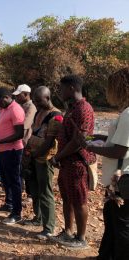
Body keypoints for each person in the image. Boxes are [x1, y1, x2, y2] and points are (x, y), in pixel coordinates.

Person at [79, 68, 129, 259]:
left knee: (121, 223)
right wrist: (94, 137)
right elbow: (117, 140)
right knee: (112, 219)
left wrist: (89, 147)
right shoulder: (125, 113)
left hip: (122, 178)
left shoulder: (128, 114)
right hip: (118, 178)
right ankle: (107, 254)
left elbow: (119, 150)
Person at [50, 75, 96, 248]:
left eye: (61, 88)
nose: (59, 92)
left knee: (79, 200)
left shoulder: (84, 108)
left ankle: (81, 238)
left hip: (77, 163)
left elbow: (79, 142)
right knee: (67, 198)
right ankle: (68, 232)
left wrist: (57, 157)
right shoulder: (72, 108)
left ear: (71, 88)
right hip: (66, 163)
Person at [23, 86, 63, 240]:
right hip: (33, 156)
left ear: (48, 98)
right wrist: (28, 152)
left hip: (44, 159)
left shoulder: (56, 116)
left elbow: (48, 142)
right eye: (35, 101)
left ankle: (49, 227)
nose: (37, 104)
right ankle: (38, 218)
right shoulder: (39, 112)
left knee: (45, 193)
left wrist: (34, 154)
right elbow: (32, 132)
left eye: (39, 101)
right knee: (34, 190)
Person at [0, 87, 24, 224]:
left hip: (13, 151)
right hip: (3, 149)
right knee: (6, 180)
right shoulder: (4, 109)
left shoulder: (16, 109)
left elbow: (19, 134)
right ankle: (9, 203)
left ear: (6, 97)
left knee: (14, 182)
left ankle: (17, 213)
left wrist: (1, 140)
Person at [13, 84, 37, 198]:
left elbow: (24, 125)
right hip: (20, 141)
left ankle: (30, 194)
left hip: (26, 141)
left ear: (26, 95)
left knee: (27, 168)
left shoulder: (31, 107)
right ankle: (21, 189)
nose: (17, 98)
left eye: (19, 95)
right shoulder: (22, 106)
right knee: (21, 166)